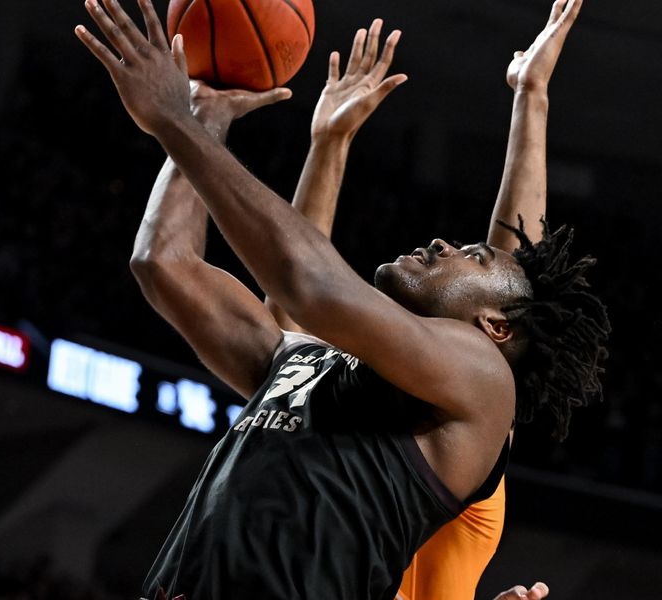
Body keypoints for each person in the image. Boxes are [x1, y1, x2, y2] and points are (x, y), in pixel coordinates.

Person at [74, 0, 609, 598]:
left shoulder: (482, 383)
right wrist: (206, 113)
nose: (443, 242)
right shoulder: (313, 363)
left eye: (471, 253)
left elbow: (318, 284)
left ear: (495, 329)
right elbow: (163, 263)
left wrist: (175, 121)